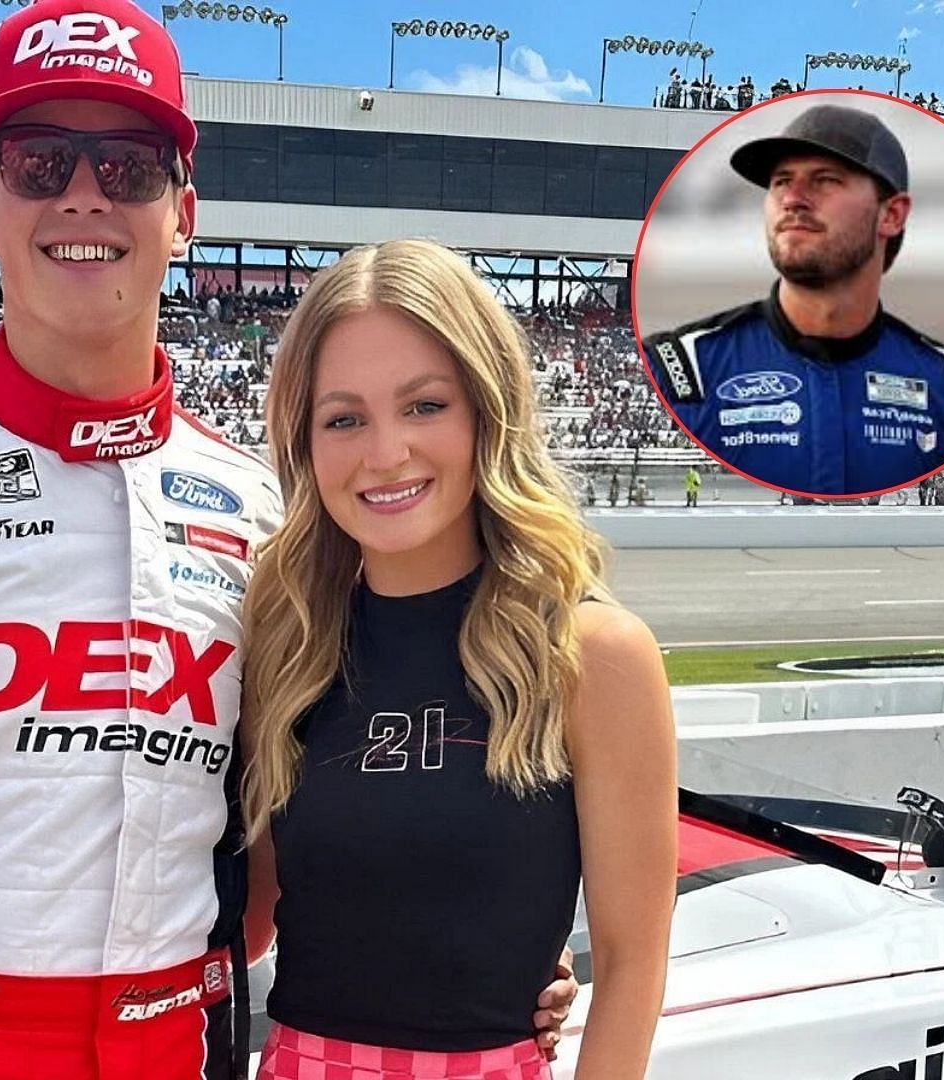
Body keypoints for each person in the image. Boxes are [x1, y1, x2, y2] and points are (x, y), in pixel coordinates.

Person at [0, 5, 578, 1078]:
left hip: (196, 1043)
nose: (84, 195)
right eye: (42, 163)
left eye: (127, 167)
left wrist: (493, 949)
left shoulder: (276, 516)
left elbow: (357, 786)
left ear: (182, 212)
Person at [240, 240, 676, 1080]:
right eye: (343, 418)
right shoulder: (284, 645)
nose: (384, 452)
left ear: (486, 411)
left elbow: (631, 966)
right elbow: (252, 923)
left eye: (424, 405)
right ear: (305, 443)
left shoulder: (592, 655)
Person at [641, 102, 944, 497]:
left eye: (825, 180)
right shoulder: (682, 370)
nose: (792, 198)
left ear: (892, 215)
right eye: (780, 181)